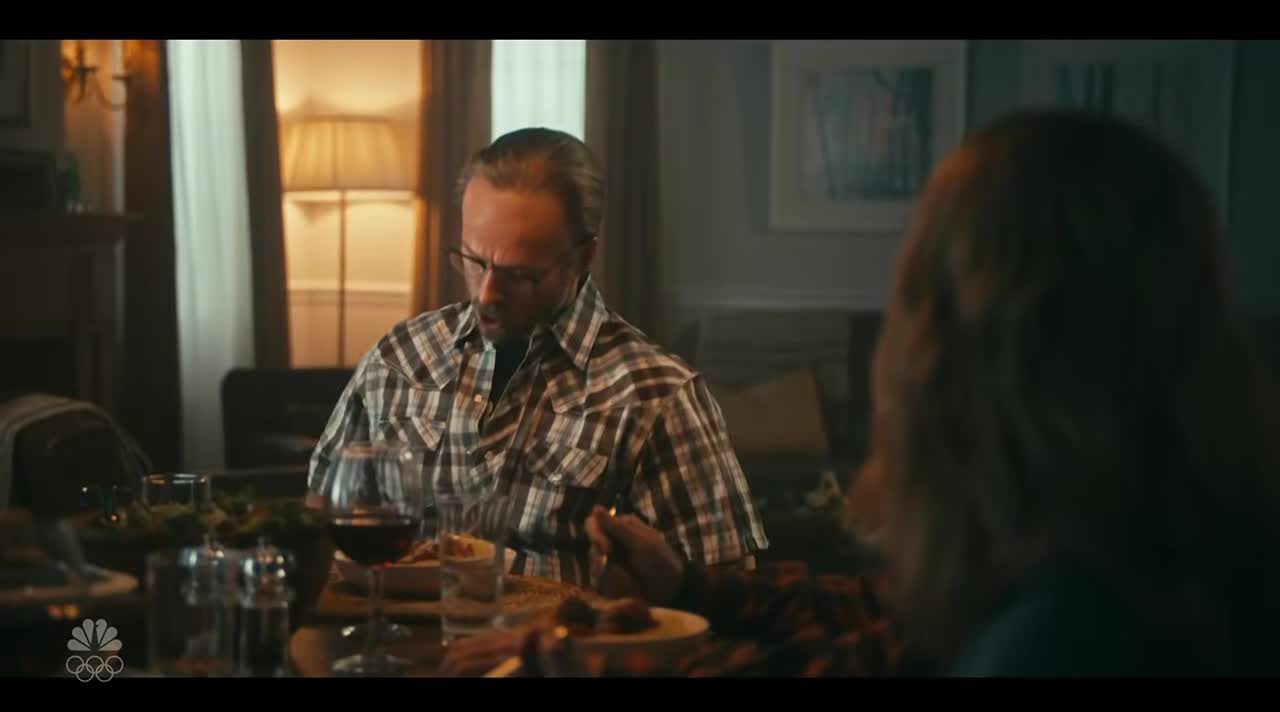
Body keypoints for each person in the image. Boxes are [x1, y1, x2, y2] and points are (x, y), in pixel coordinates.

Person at [446, 109, 1280, 677]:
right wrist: (691, 590)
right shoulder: (1122, 546)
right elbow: (888, 629)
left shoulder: (1071, 634)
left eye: (915, 289)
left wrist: (578, 660)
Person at [307, 127, 768, 585]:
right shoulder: (399, 360)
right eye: (474, 261)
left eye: (519, 275)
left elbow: (724, 592)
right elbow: (320, 517)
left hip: (560, 634)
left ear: (583, 257)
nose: (487, 294)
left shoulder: (657, 396)